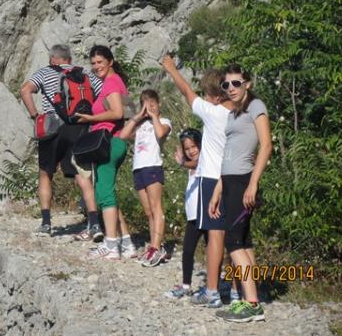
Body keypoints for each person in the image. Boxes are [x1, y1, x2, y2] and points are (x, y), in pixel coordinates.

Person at [162, 55, 232, 308]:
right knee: (235, 239)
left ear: (213, 94)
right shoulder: (240, 114)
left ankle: (211, 291)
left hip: (211, 180)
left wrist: (171, 69)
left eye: (206, 93)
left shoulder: (212, 112)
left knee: (215, 236)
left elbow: (186, 90)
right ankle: (236, 290)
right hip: (233, 178)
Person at [21, 44, 103, 240]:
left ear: (53, 59)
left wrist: (35, 116)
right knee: (82, 175)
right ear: (69, 59)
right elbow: (102, 94)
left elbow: (25, 90)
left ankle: (46, 224)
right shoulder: (84, 73)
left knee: (45, 173)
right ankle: (94, 224)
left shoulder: (45, 72)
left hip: (52, 127)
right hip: (79, 127)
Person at [211, 65, 272, 323]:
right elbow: (229, 154)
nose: (231, 88)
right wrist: (217, 190)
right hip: (229, 183)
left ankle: (253, 305)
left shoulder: (256, 106)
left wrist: (253, 184)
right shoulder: (234, 113)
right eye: (226, 85)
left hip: (243, 182)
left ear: (247, 83)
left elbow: (266, 145)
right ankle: (249, 299)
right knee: (244, 242)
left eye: (236, 83)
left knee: (233, 241)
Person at [75, 45, 136, 260]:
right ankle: (127, 244)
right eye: (93, 63)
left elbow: (117, 113)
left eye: (100, 62)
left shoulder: (111, 82)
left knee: (105, 194)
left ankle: (111, 245)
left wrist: (91, 118)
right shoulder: (115, 81)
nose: (96, 66)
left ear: (110, 61)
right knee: (107, 192)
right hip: (115, 142)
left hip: (109, 143)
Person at [119, 90, 171, 267]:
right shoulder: (141, 124)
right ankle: (154, 245)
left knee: (156, 208)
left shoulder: (164, 121)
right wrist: (138, 116)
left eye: (152, 105)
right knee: (148, 211)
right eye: (146, 106)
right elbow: (123, 135)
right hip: (138, 169)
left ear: (158, 104)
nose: (149, 109)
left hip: (152, 167)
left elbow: (161, 133)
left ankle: (156, 248)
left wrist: (154, 115)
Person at [165, 128, 207, 297]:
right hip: (193, 217)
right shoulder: (189, 167)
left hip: (206, 214)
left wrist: (182, 162)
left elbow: (198, 164)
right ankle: (186, 285)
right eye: (187, 148)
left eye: (194, 146)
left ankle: (215, 286)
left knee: (213, 250)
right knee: (188, 251)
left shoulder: (205, 160)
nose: (191, 151)